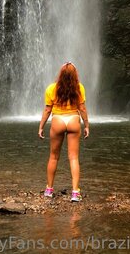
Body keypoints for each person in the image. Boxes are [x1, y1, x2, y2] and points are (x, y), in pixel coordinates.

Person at [38, 62, 89, 202]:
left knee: (53, 157)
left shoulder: (51, 88)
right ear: (75, 75)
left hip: (57, 121)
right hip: (73, 120)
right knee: (73, 158)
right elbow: (82, 108)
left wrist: (41, 126)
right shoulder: (79, 88)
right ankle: (75, 193)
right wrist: (86, 125)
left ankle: (49, 190)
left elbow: (48, 110)